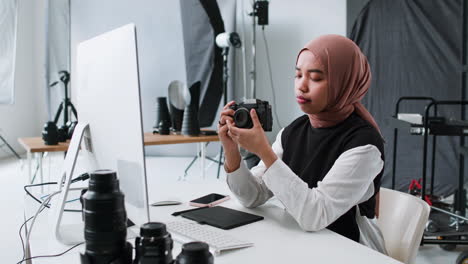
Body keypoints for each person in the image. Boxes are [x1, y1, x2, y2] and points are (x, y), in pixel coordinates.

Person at [217, 34, 387, 254]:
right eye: (298, 75)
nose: (301, 86)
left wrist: (263, 151)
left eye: (315, 78)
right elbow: (253, 196)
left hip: (349, 250)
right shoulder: (293, 131)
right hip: (300, 244)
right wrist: (232, 153)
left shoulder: (364, 145)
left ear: (343, 83)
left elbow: (315, 216)